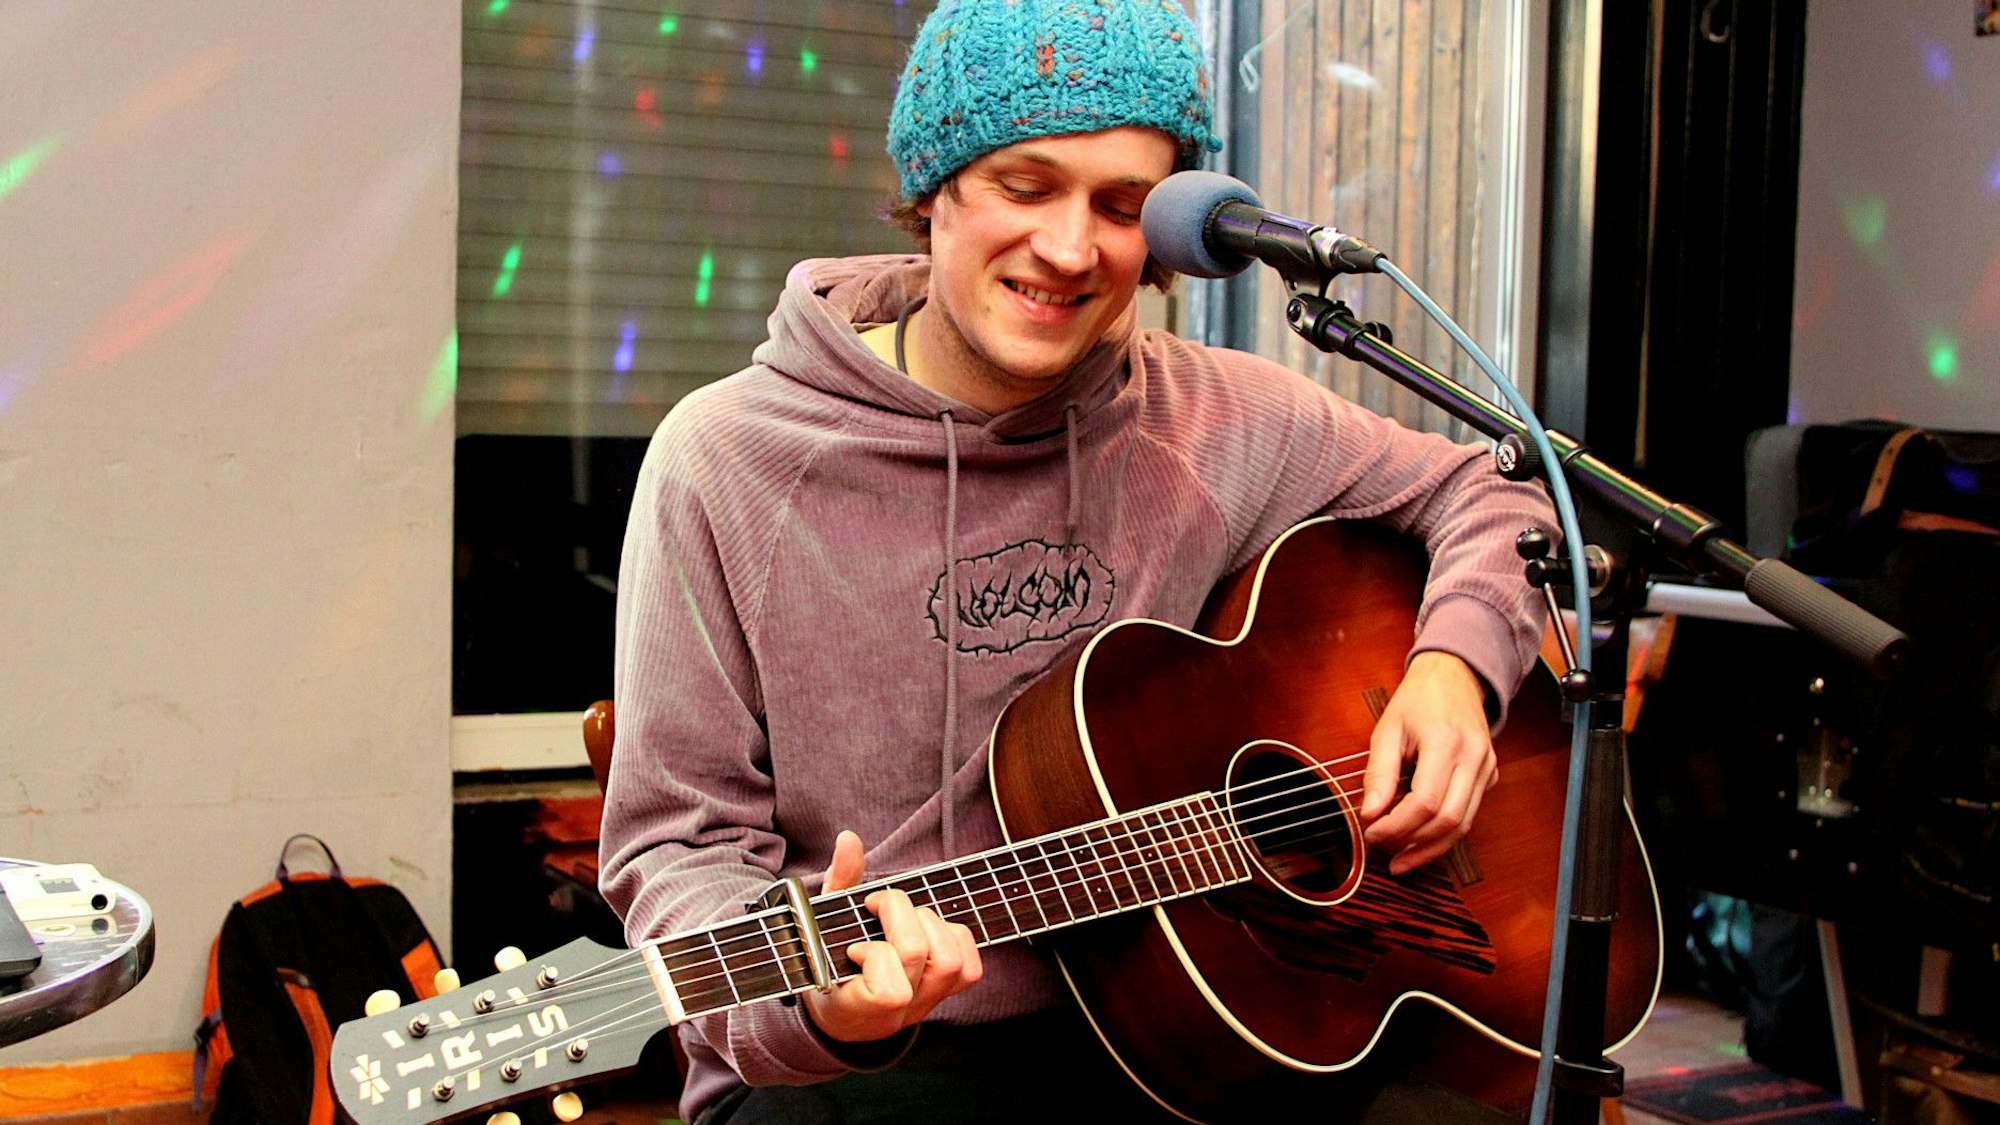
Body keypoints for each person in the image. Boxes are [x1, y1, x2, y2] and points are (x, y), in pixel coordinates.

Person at [600, 2, 1555, 1121]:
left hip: (1224, 1000)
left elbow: (1494, 487)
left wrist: (1455, 669)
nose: (1068, 249)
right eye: (1023, 185)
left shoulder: (1216, 417)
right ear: (933, 189)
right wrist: (818, 1010)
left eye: (1119, 206)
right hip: (890, 1057)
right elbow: (679, 849)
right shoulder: (729, 461)